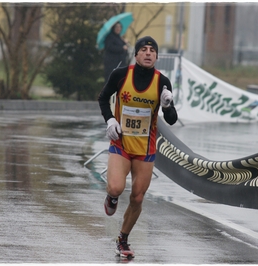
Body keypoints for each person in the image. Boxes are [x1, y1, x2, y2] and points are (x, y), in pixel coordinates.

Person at [98, 36, 178, 258]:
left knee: (138, 197)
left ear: (157, 56)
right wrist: (110, 120)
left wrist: (167, 105)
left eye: (152, 50)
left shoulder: (162, 82)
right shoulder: (121, 75)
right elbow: (103, 98)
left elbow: (171, 119)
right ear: (136, 54)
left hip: (145, 149)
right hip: (121, 144)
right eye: (143, 49)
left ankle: (123, 239)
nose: (148, 53)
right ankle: (112, 198)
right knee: (115, 187)